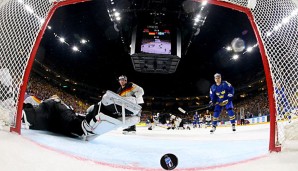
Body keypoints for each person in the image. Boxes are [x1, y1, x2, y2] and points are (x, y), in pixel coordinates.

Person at [22, 90, 142, 141]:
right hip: (50, 117)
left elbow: (36, 103)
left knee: (77, 125)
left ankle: (102, 110)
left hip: (50, 109)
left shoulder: (30, 108)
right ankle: (105, 112)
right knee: (75, 126)